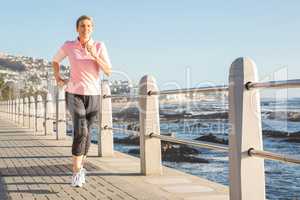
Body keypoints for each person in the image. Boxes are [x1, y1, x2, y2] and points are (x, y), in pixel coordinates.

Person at [52, 15, 112, 187]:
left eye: (88, 26)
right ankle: (76, 172)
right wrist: (58, 77)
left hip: (93, 95)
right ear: (77, 28)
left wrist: (95, 55)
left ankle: (81, 167)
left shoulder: (100, 46)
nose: (85, 28)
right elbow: (55, 60)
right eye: (82, 26)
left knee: (87, 133)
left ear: (92, 28)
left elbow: (108, 71)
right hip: (74, 93)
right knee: (81, 131)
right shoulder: (69, 46)